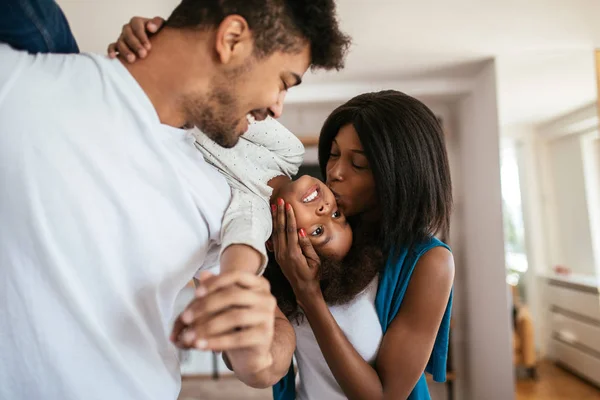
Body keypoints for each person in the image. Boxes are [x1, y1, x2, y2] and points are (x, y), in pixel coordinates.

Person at [0, 1, 351, 400]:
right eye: (283, 82)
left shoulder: (226, 197)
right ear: (231, 39)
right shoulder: (25, 79)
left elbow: (269, 326)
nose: (277, 106)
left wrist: (259, 352)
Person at [267, 90, 455, 400]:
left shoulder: (428, 262)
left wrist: (309, 295)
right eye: (335, 153)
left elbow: (384, 396)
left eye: (358, 164)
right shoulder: (315, 231)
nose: (335, 172)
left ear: (399, 177)